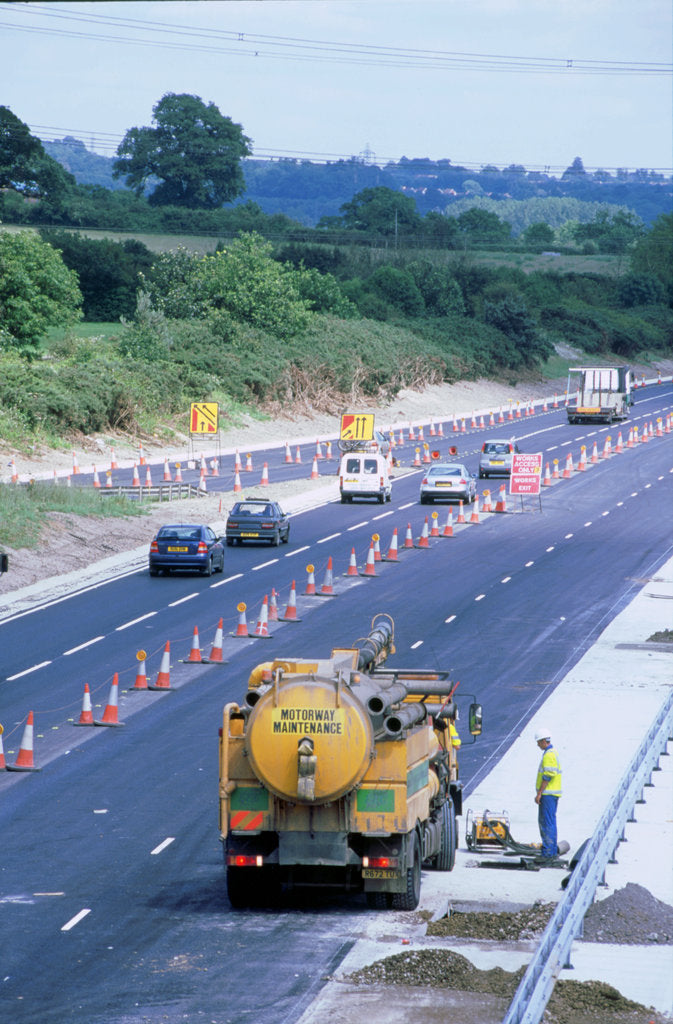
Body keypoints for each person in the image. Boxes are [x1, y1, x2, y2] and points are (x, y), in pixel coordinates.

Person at [534, 727, 562, 860]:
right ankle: (550, 851)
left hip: (548, 795)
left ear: (545, 741)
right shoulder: (552, 753)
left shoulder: (549, 755)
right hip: (552, 794)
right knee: (550, 822)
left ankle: (548, 853)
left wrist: (539, 793)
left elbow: (548, 775)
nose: (538, 744)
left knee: (546, 823)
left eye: (539, 742)